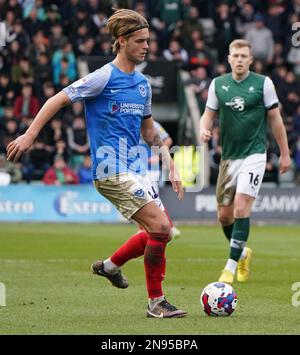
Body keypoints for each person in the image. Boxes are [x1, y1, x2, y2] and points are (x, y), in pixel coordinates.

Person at [7, 9, 186, 318]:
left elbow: (148, 131)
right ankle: (156, 303)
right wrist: (30, 134)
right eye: (140, 41)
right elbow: (57, 100)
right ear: (122, 41)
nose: (147, 47)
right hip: (110, 169)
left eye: (148, 41)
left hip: (137, 169)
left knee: (164, 233)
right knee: (160, 227)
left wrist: (169, 160)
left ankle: (110, 266)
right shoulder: (103, 77)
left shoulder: (142, 84)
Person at [200, 39, 291, 284]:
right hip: (229, 157)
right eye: (235, 56)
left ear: (251, 59)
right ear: (228, 59)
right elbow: (207, 115)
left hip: (255, 153)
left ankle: (229, 267)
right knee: (224, 216)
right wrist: (204, 130)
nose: (239, 59)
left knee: (241, 207)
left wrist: (284, 153)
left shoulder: (263, 84)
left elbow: (275, 119)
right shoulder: (218, 84)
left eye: (243, 56)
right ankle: (242, 252)